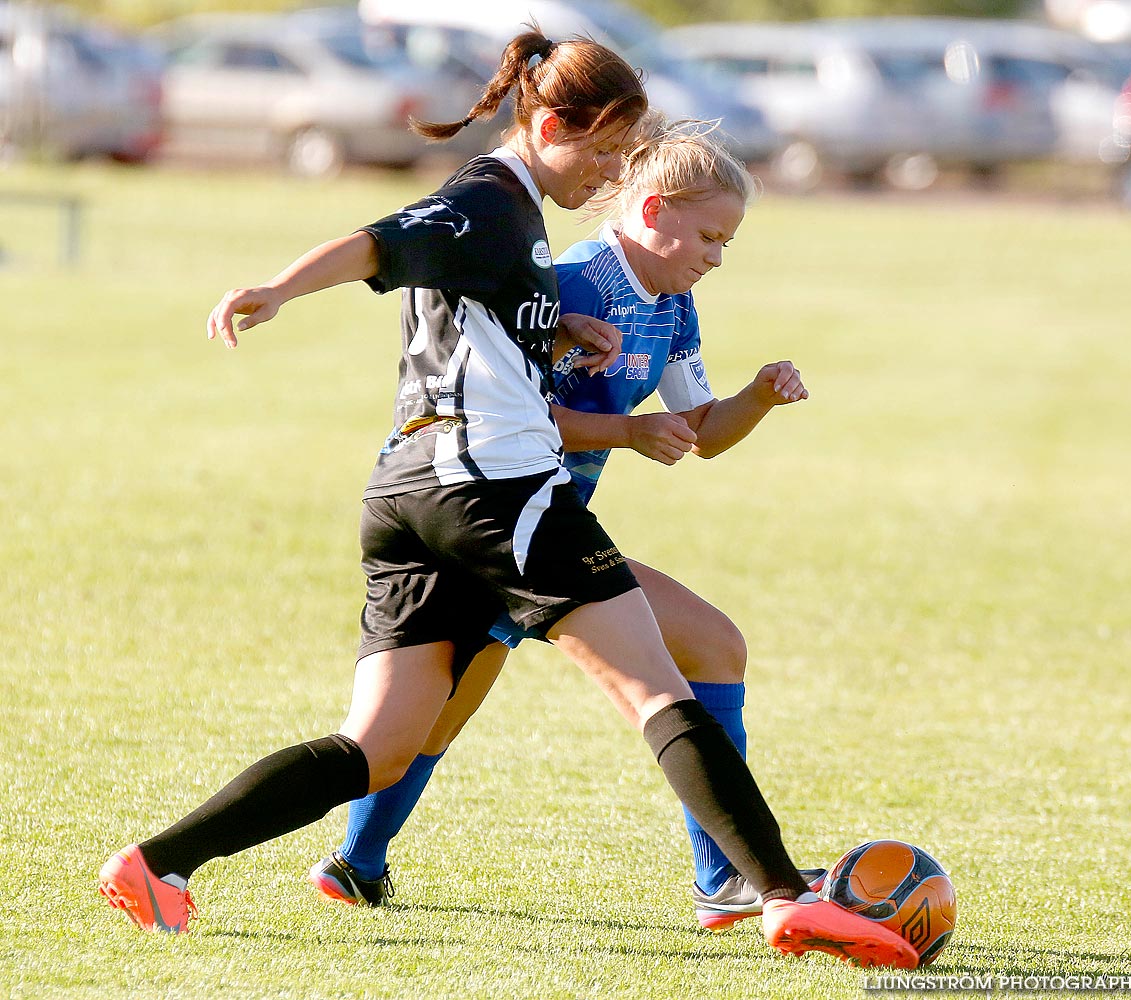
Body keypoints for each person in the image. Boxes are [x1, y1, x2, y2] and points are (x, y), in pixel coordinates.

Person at [97, 29, 917, 970]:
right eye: (605, 152)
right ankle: (776, 896)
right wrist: (278, 289)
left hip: (409, 492)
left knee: (381, 745)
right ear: (551, 123)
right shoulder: (488, 200)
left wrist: (553, 321)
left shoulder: (520, 226)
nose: (609, 172)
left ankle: (157, 863)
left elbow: (480, 314)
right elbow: (381, 243)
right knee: (653, 681)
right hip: (495, 487)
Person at [306, 117, 827, 931]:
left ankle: (721, 879)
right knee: (434, 716)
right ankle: (353, 864)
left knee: (704, 648)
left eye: (726, 242)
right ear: (652, 211)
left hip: (553, 525)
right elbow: (500, 411)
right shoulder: (569, 280)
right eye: (710, 235)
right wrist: (624, 430)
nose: (716, 256)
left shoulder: (672, 302)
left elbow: (698, 435)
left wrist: (756, 396)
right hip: (489, 510)